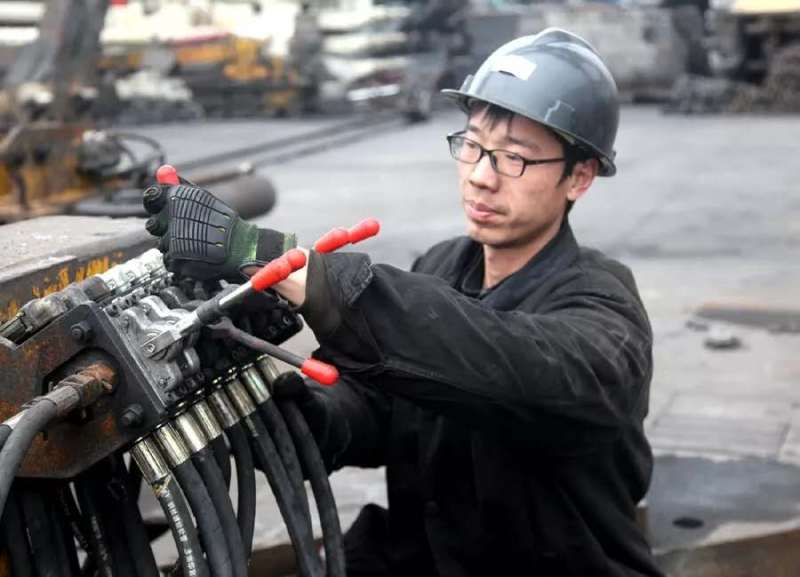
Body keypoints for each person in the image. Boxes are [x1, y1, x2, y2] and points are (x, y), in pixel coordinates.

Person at [143, 28, 664, 577]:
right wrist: (298, 415)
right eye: (472, 145)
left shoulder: (606, 309)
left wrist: (288, 267)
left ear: (579, 176)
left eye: (514, 158)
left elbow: (508, 361)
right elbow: (381, 407)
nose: (480, 177)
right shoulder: (443, 266)